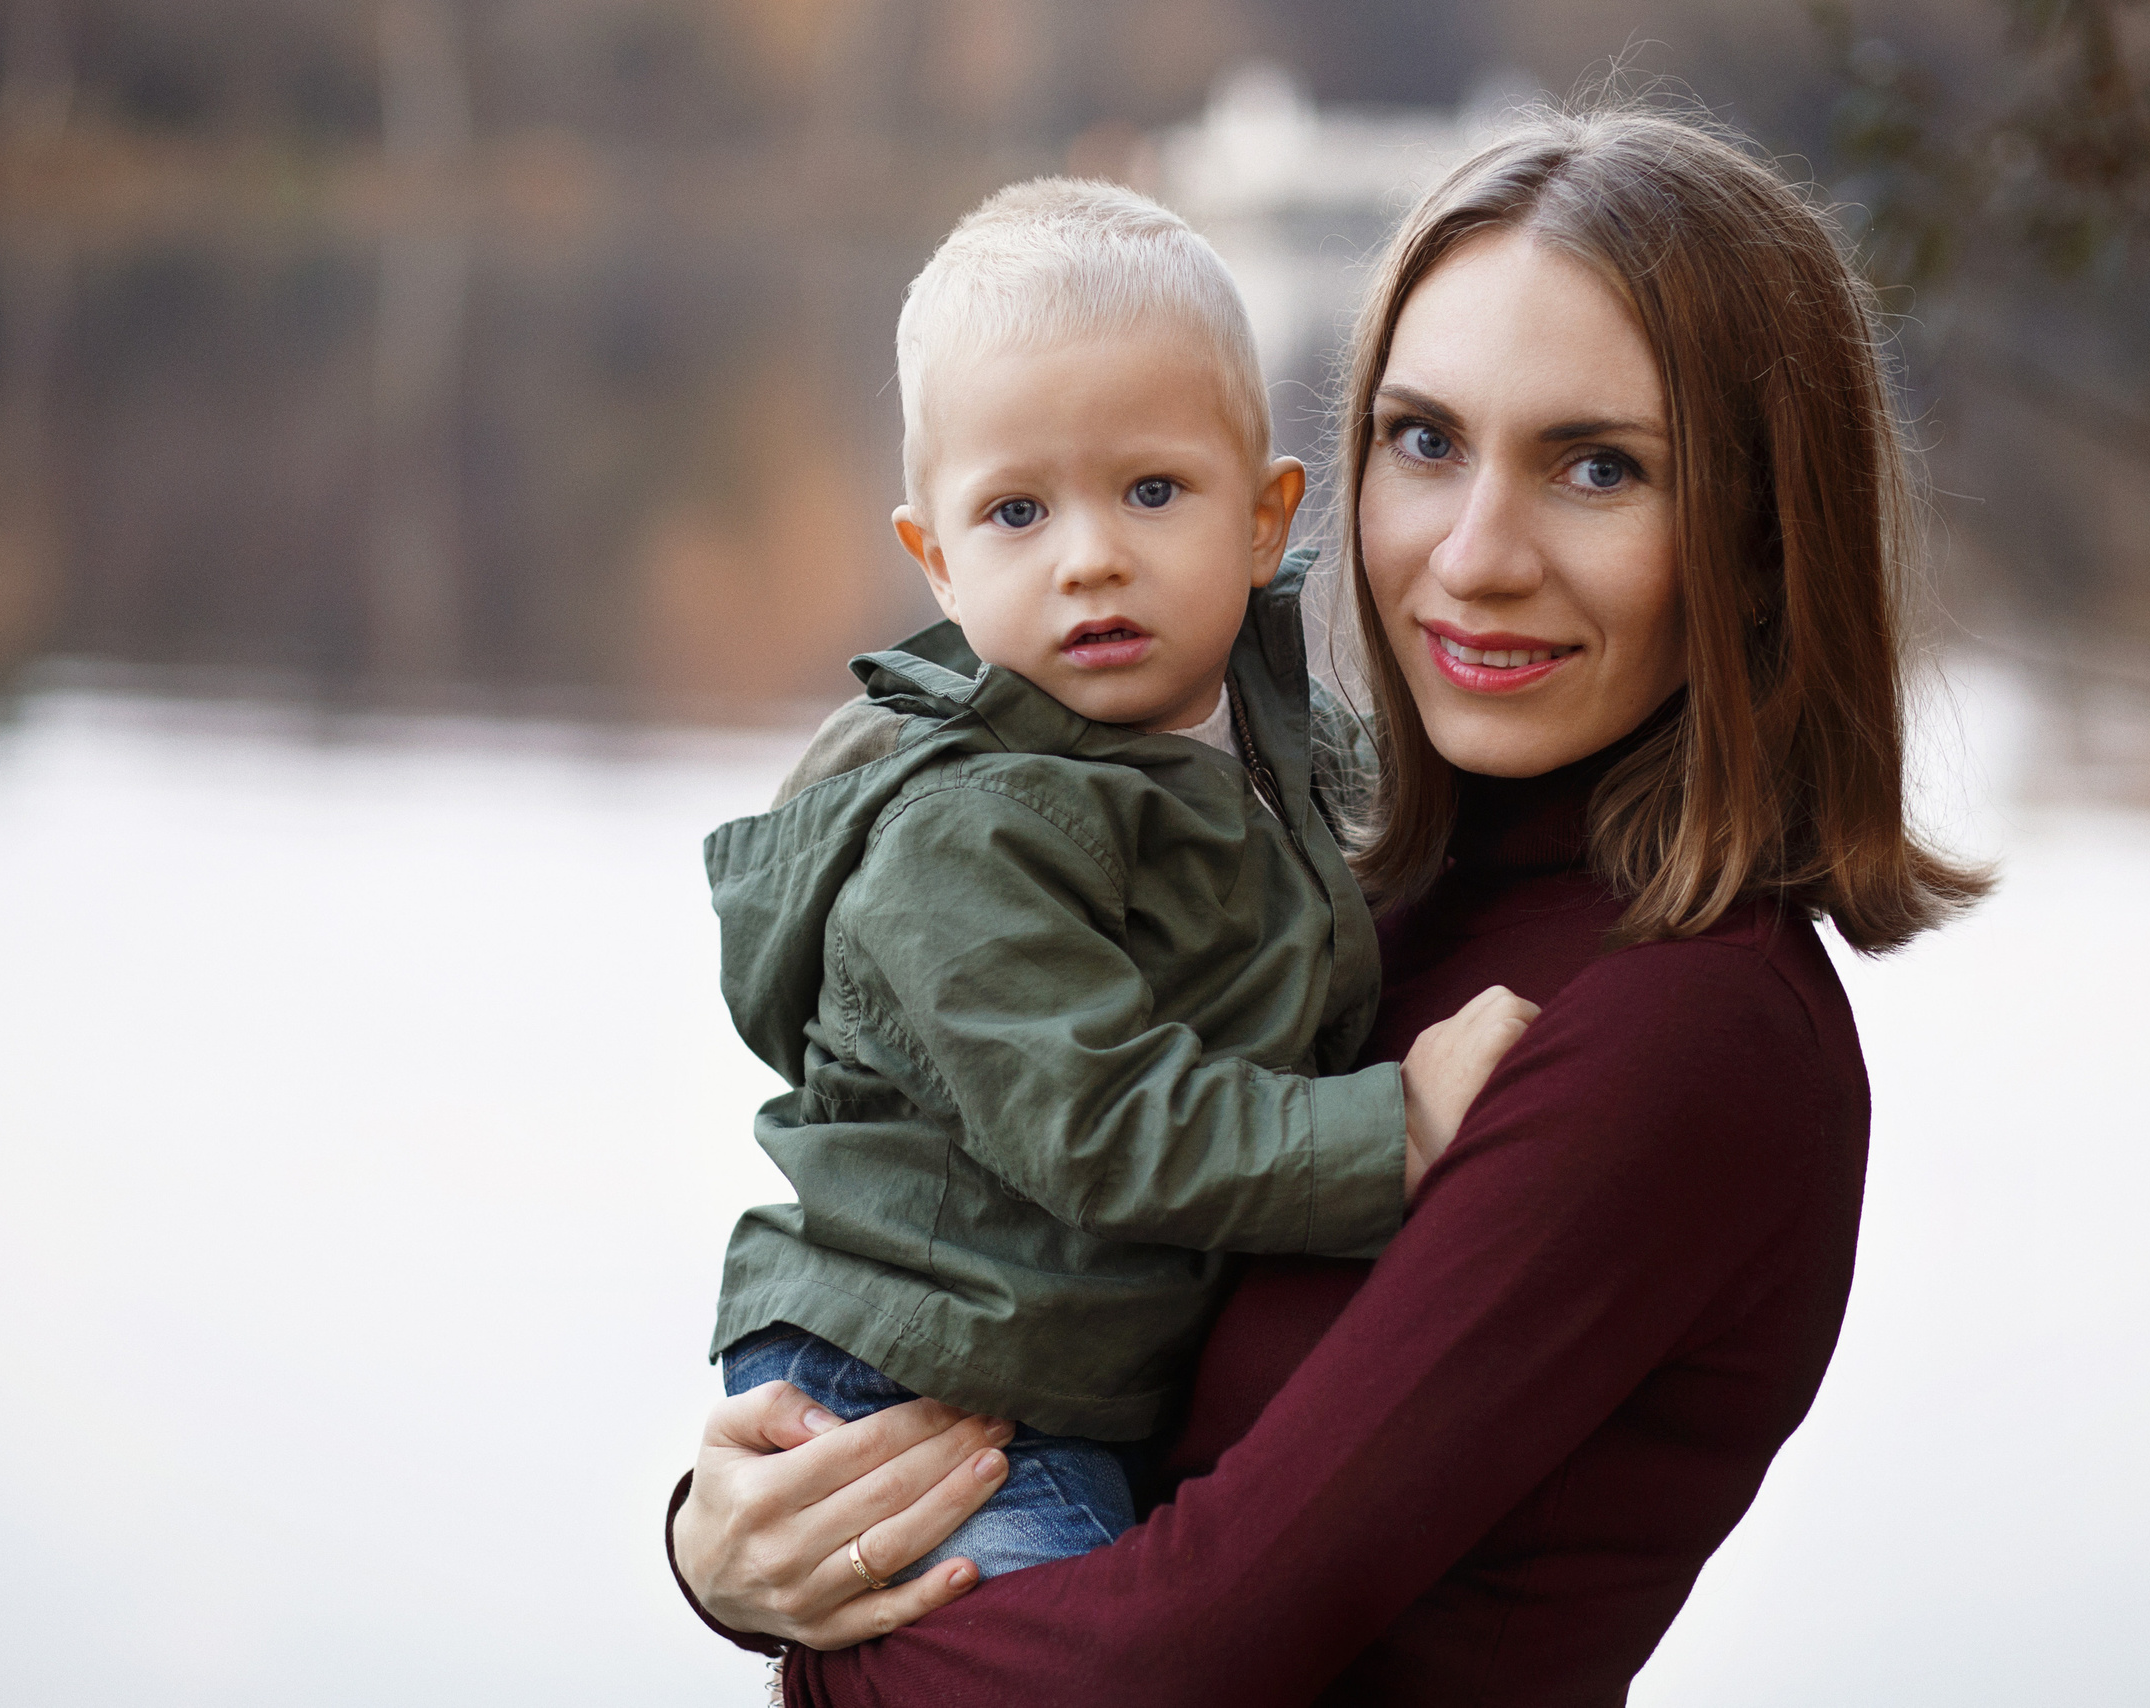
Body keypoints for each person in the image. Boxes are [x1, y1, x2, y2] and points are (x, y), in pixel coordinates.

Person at [669, 105, 1992, 1703]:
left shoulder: (1684, 1030)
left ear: (1765, 541)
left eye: (1598, 467)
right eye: (1425, 442)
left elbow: (1178, 1658)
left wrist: (823, 1654)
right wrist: (741, 1543)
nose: (1475, 555)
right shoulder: (1350, 881)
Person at [703, 177, 1537, 1585]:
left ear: (1264, 519)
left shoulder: (1287, 735)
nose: (1090, 557)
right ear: (937, 561)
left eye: (1152, 491)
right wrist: (1390, 1132)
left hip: (1065, 1361)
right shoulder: (964, 836)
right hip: (915, 1379)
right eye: (1017, 511)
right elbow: (1101, 1120)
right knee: (1089, 1664)